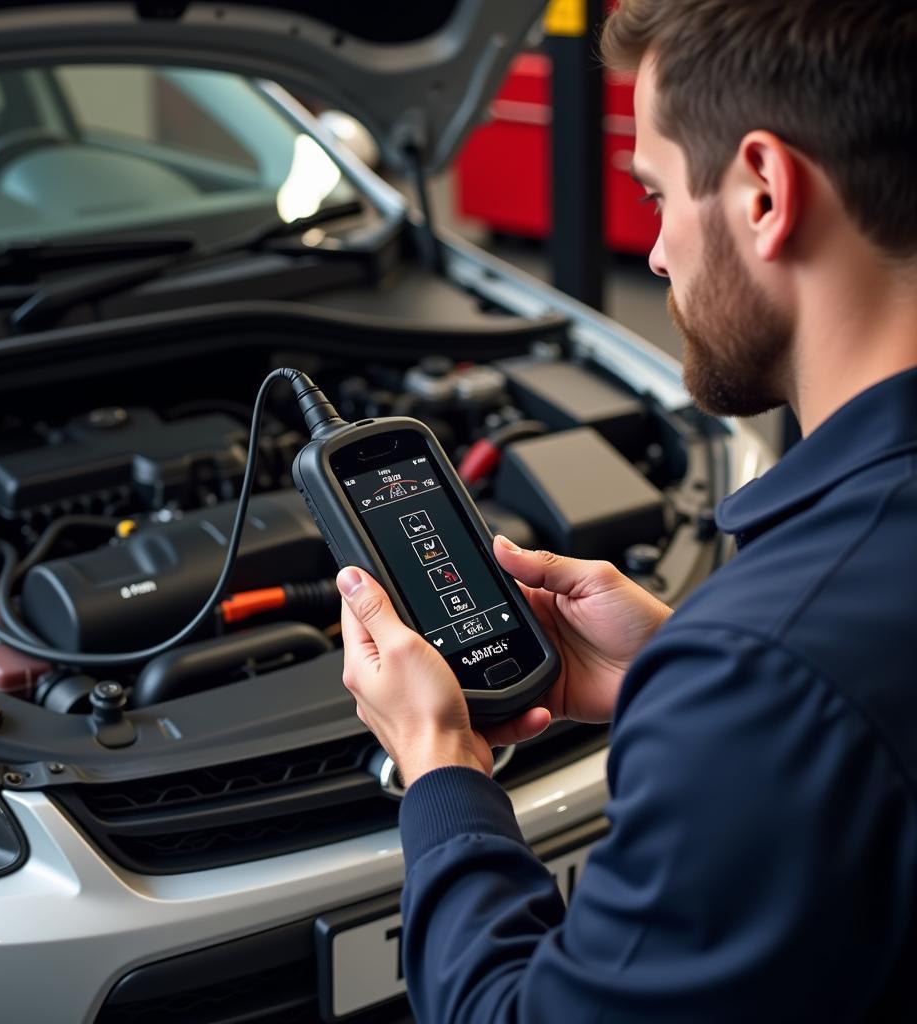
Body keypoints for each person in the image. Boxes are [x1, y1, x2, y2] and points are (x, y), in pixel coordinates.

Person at [336, 1, 917, 1020]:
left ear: (764, 191)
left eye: (654, 195)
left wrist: (438, 770)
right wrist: (676, 662)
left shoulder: (765, 673)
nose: (653, 257)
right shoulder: (793, 643)